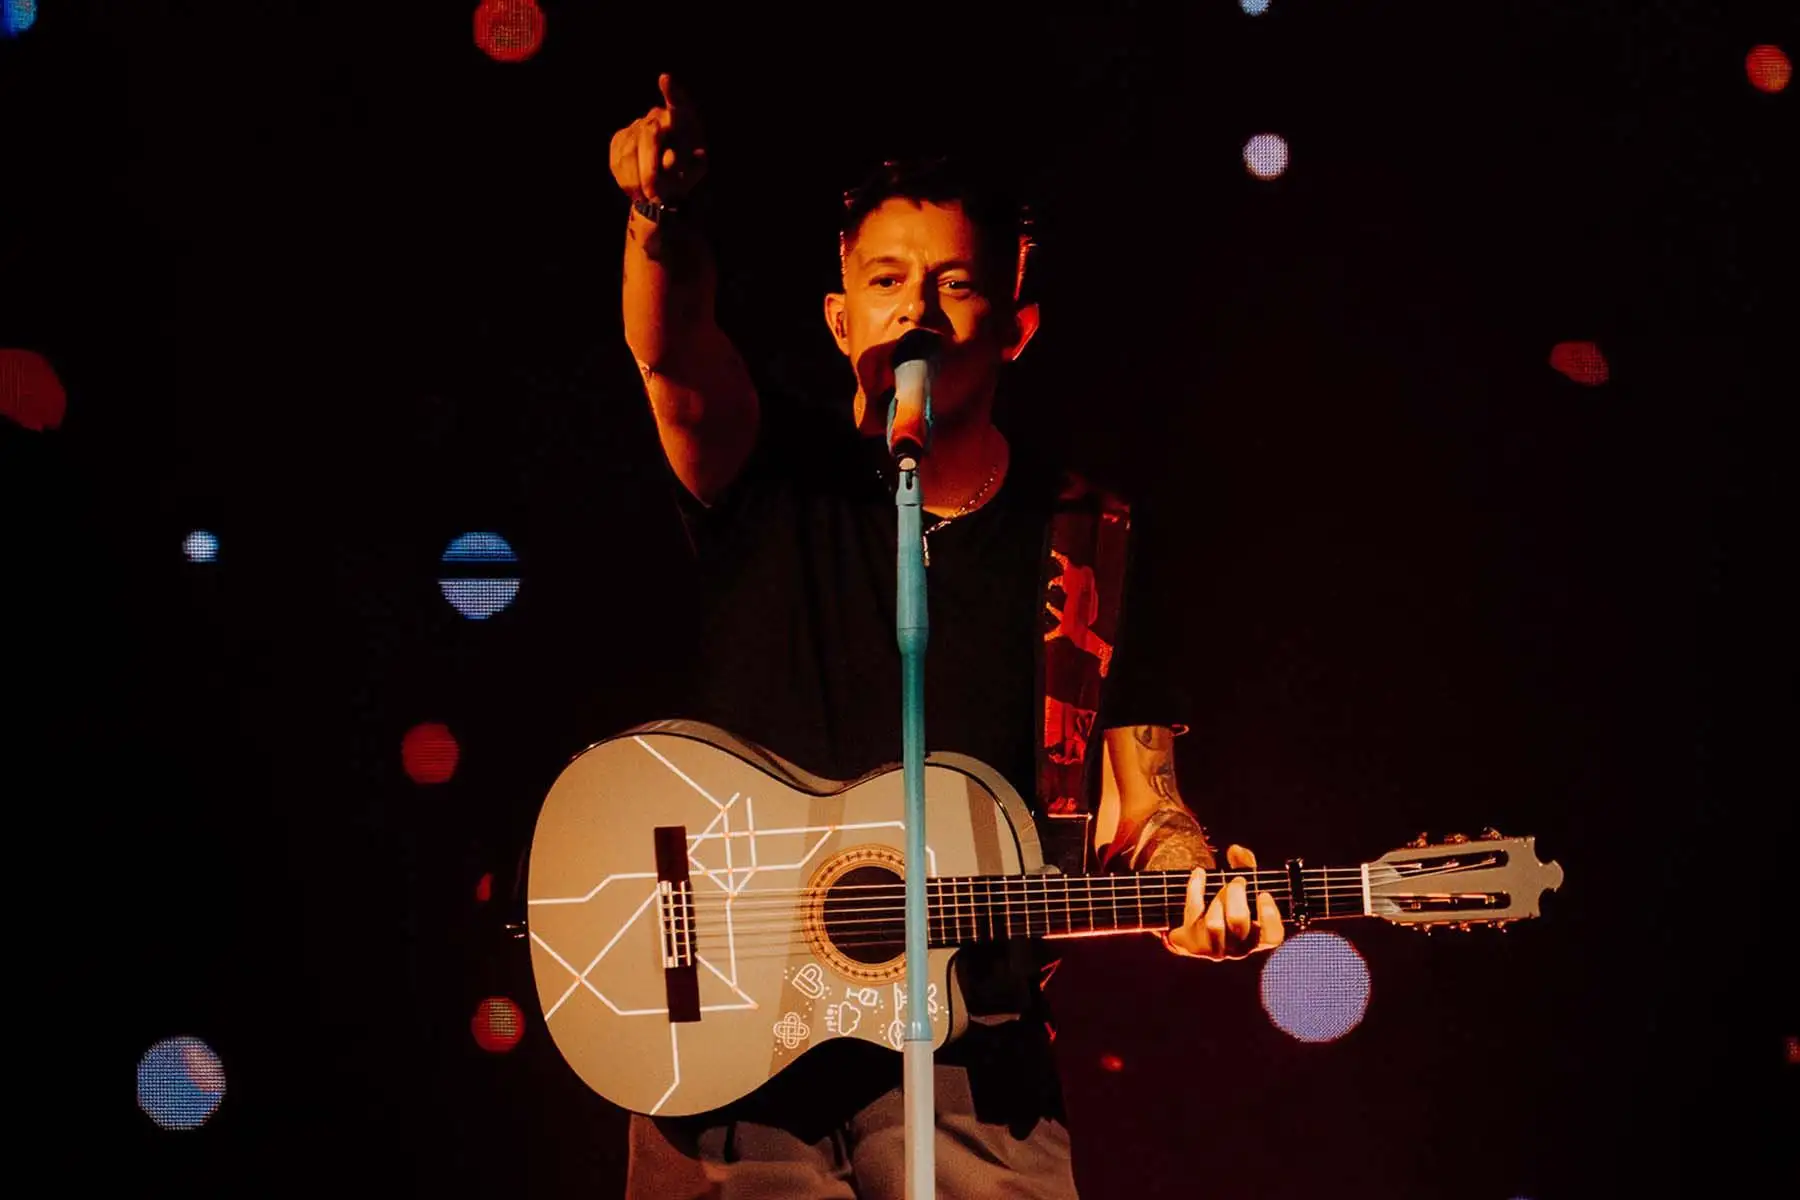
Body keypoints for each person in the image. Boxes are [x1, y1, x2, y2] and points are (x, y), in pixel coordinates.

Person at [609, 73, 1286, 1200]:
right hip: (726, 1052)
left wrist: (1194, 888)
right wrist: (659, 218)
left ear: (1014, 325)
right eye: (886, 282)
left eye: (953, 285)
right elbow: (674, 358)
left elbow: (1143, 813)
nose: (916, 311)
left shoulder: (1092, 538)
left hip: (976, 1068)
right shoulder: (766, 475)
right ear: (841, 319)